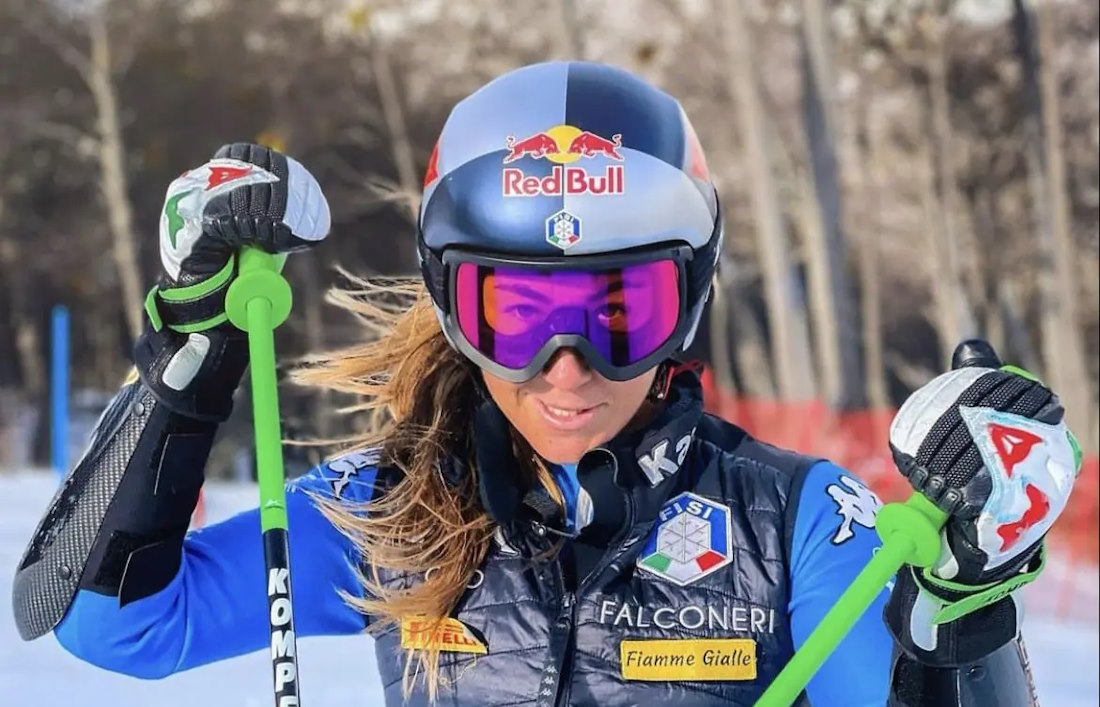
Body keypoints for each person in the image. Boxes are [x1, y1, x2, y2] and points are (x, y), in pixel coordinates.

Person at [12, 61, 1081, 707]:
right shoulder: (394, 507)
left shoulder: (792, 517)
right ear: (450, 304)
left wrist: (963, 605)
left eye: (619, 314)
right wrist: (190, 355)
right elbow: (117, 627)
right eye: (514, 315)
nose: (564, 369)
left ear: (689, 301)